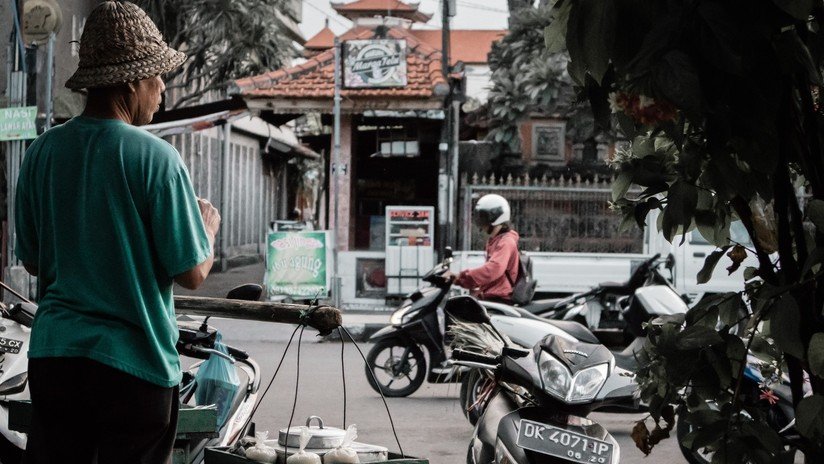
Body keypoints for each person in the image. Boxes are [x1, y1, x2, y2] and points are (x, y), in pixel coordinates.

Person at [13, 2, 219, 463]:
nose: (162, 88)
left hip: (56, 360)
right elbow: (191, 273)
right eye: (157, 76)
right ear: (130, 81)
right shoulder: (157, 158)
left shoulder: (42, 152)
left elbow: (33, 261)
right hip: (134, 367)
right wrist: (206, 230)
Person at [447, 194, 520, 303]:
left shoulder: (506, 242)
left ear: (495, 218)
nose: (481, 223)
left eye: (484, 218)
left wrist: (461, 278)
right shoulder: (496, 240)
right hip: (491, 295)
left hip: (500, 299)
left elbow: (493, 270)